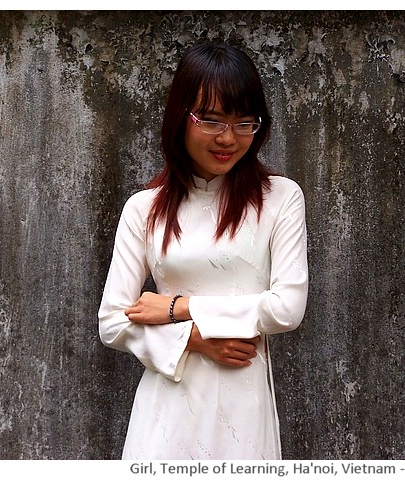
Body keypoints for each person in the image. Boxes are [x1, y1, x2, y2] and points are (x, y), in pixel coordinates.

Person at [98, 41, 308, 460]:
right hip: (165, 406)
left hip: (242, 403)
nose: (228, 138)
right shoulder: (144, 208)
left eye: (244, 122)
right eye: (211, 120)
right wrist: (194, 338)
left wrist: (177, 307)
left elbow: (286, 308)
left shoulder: (281, 198)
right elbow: (112, 323)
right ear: (182, 117)